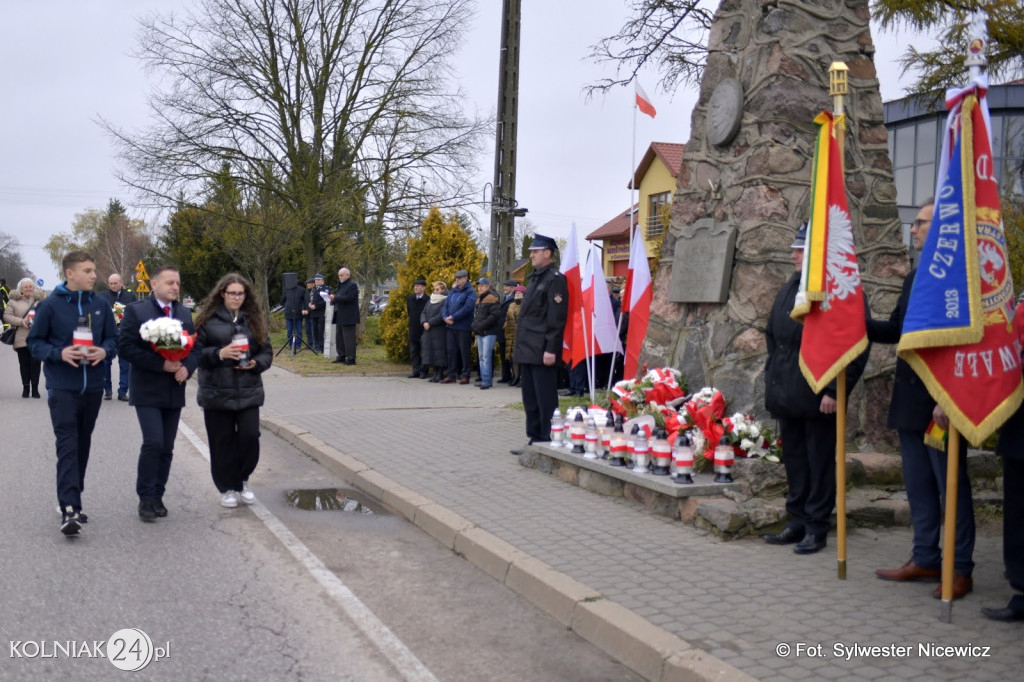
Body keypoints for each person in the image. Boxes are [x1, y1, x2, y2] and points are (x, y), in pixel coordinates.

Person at [869, 199, 975, 600]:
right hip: (912, 401)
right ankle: (926, 556)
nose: (912, 230)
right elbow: (898, 329)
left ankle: (960, 567)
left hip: (942, 404)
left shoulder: (959, 277)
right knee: (919, 487)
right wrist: (852, 322)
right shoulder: (915, 277)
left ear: (942, 230)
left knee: (952, 488)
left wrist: (950, 396)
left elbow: (961, 343)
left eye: (920, 223)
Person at [762, 225, 867, 554]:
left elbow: (855, 344)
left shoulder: (841, 289)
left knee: (819, 461)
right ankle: (796, 520)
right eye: (794, 248)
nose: (793, 253)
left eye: (801, 249)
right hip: (788, 391)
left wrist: (837, 390)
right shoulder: (792, 284)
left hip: (821, 395)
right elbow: (773, 334)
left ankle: (816, 526)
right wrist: (775, 375)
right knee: (795, 460)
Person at [27, 251, 117, 535]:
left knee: (82, 443)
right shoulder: (50, 305)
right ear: (70, 274)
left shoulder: (101, 304)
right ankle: (70, 508)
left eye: (94, 270)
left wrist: (104, 351)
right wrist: (58, 353)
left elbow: (113, 339)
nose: (94, 275)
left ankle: (73, 495)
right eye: (88, 270)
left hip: (92, 387)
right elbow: (34, 342)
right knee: (67, 442)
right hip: (62, 386)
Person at [118, 265, 199, 522]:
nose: (175, 287)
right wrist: (160, 364)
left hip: (174, 389)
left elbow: (195, 347)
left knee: (166, 446)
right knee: (153, 442)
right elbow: (126, 347)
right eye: (169, 283)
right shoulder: (137, 310)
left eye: (177, 282)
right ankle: (145, 498)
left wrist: (187, 368)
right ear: (154, 284)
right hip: (147, 388)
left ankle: (158, 495)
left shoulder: (184, 313)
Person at [194, 274, 273, 508]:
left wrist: (256, 363)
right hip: (216, 392)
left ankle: (243, 479)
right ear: (222, 294)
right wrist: (220, 354)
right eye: (232, 293)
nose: (236, 298)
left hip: (248, 390)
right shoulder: (206, 321)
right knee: (222, 443)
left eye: (240, 294)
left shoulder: (254, 320)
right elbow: (196, 354)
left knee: (250, 437)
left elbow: (266, 351)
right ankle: (227, 487)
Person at [510, 234, 568, 454]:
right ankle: (535, 438)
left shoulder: (555, 279)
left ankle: (548, 438)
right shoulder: (534, 279)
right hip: (527, 348)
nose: (531, 255)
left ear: (547, 253)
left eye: (535, 251)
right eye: (531, 251)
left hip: (543, 350)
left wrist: (551, 349)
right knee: (530, 398)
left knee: (545, 398)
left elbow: (556, 318)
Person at [4, 278, 45, 398]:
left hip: (36, 337)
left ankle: (35, 389)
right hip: (21, 337)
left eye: (30, 287)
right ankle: (26, 388)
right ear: (21, 289)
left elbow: (47, 315)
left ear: (34, 288)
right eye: (26, 287)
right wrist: (21, 321)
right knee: (24, 364)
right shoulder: (13, 302)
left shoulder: (40, 301)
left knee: (36, 363)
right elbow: (7, 316)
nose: (28, 289)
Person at [98, 273, 134, 401]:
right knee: (105, 363)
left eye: (115, 283)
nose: (113, 286)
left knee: (125, 364)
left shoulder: (130, 296)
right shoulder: (102, 296)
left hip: (124, 334)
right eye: (111, 283)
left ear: (121, 283)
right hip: (108, 335)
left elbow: (134, 314)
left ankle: (123, 391)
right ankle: (107, 390)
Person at [442, 269, 476, 383]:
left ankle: (465, 375)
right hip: (450, 327)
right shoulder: (453, 291)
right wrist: (445, 317)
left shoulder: (470, 292)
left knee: (464, 352)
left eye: (460, 278)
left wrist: (453, 317)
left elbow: (467, 308)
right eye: (456, 278)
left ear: (466, 278)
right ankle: (451, 374)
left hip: (463, 327)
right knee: (451, 351)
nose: (457, 280)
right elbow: (446, 305)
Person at [472, 277, 502, 390]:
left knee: (486, 357)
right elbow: (476, 316)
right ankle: (484, 379)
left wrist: (481, 325)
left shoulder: (493, 298)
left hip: (489, 332)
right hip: (480, 331)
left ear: (487, 287)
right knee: (481, 357)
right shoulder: (479, 300)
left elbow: (494, 316)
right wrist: (474, 326)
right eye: (479, 286)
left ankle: (487, 381)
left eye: (482, 286)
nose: (480, 288)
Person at [331, 267, 359, 365]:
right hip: (340, 314)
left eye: (341, 275)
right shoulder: (341, 285)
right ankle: (341, 356)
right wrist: (332, 299)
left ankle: (351, 358)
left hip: (349, 316)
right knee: (339, 337)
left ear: (347, 275)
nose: (340, 277)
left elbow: (349, 298)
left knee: (348, 338)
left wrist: (335, 297)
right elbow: (340, 298)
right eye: (339, 275)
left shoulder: (352, 285)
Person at [421, 281, 448, 382]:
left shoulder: (444, 300)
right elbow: (423, 312)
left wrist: (430, 323)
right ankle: (435, 373)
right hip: (428, 330)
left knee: (439, 352)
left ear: (443, 290)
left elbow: (441, 315)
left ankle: (439, 373)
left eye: (437, 289)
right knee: (431, 352)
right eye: (434, 289)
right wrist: (424, 322)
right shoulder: (431, 300)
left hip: (438, 330)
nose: (435, 291)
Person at [406, 278, 429, 378]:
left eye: (418, 286)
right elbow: (409, 312)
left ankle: (424, 371)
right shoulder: (410, 299)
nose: (416, 288)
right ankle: (415, 371)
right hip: (413, 329)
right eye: (415, 286)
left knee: (424, 351)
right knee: (414, 351)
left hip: (424, 329)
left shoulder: (427, 300)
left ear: (423, 288)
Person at [504, 285, 525, 387]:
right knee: (513, 357)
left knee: (521, 358)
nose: (517, 295)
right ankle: (515, 377)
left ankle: (522, 378)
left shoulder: (525, 304)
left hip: (521, 335)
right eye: (516, 293)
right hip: (511, 334)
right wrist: (505, 325)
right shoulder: (511, 305)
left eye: (519, 293)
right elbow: (508, 318)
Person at [498, 279, 517, 383]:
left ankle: (515, 376)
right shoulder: (503, 298)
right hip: (502, 330)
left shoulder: (514, 299)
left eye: (508, 286)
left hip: (510, 330)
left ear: (513, 288)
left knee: (510, 355)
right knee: (503, 354)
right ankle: (506, 376)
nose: (505, 288)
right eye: (505, 286)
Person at [280, 275, 306, 352]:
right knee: (289, 330)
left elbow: (304, 301)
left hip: (298, 313)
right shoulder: (286, 290)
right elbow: (282, 301)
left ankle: (298, 345)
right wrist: (287, 306)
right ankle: (290, 344)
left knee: (299, 330)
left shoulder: (301, 290)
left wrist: (302, 308)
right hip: (289, 313)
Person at [305, 273, 329, 352]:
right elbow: (312, 299)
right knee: (314, 330)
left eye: (318, 280)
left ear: (322, 280)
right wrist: (310, 304)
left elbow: (325, 301)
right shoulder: (314, 289)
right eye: (316, 280)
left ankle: (321, 347)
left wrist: (316, 306)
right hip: (314, 313)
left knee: (321, 330)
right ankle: (316, 345)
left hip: (321, 312)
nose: (317, 281)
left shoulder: (325, 288)